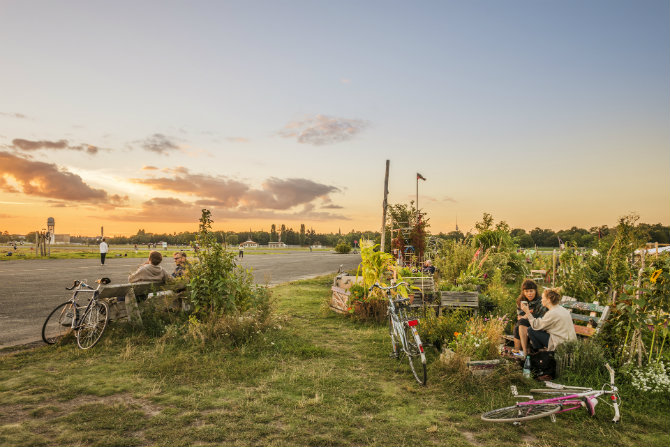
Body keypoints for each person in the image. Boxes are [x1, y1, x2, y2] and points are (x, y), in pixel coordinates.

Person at [513, 279, 546, 357]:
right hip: (525, 324)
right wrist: (528, 313)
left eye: (531, 291)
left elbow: (540, 316)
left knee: (521, 322)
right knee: (518, 326)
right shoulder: (521, 301)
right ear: (523, 292)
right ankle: (518, 352)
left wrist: (526, 314)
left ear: (535, 291)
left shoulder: (540, 301)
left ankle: (523, 353)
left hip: (538, 324)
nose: (529, 294)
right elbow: (519, 316)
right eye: (526, 291)